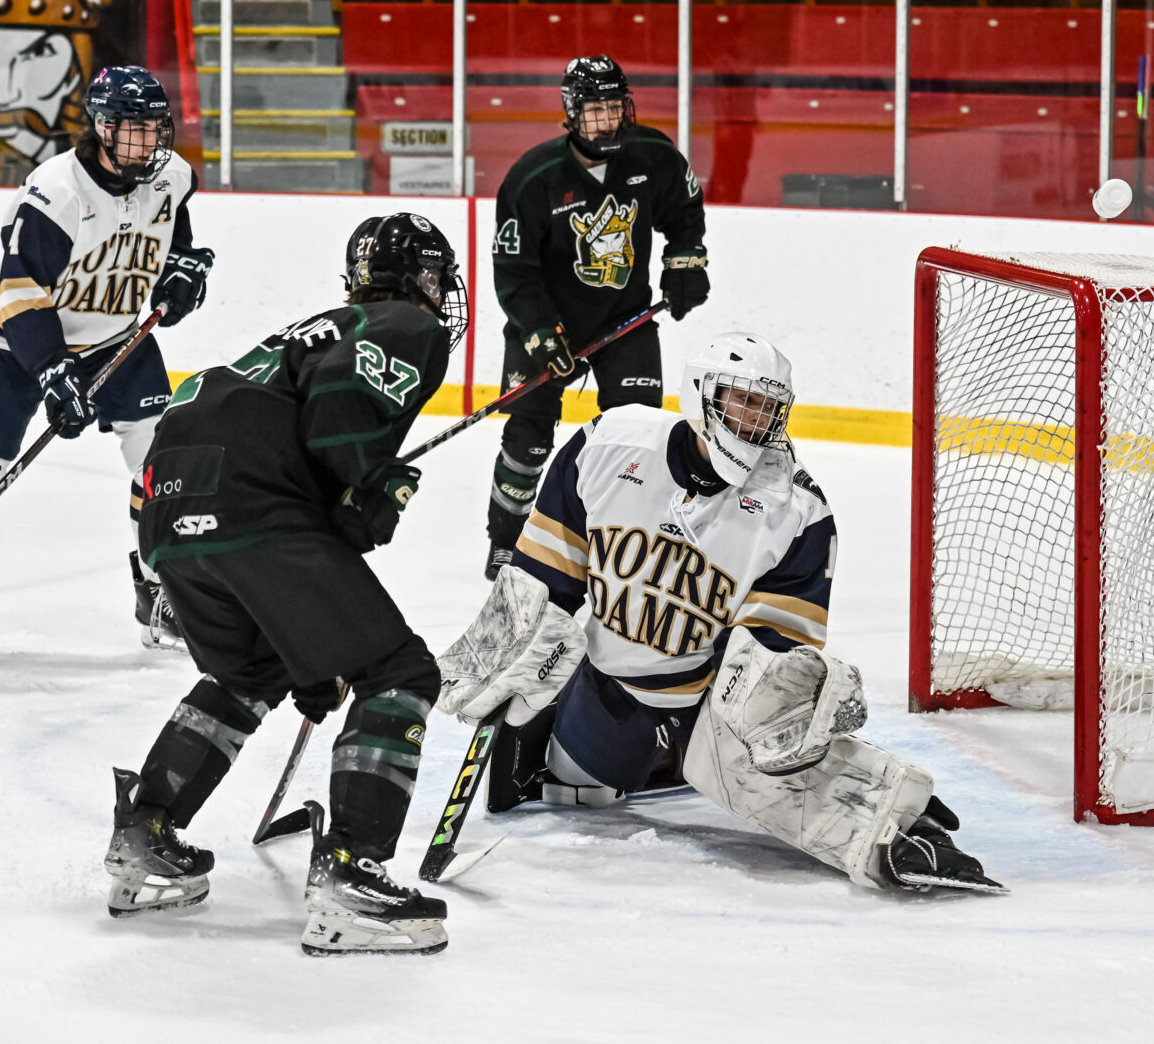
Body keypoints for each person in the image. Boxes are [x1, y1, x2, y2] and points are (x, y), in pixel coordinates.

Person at [439, 333, 1004, 894]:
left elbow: (769, 663)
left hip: (707, 705)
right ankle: (595, 752)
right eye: (742, 399)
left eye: (767, 407)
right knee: (573, 787)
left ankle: (898, 834)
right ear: (700, 394)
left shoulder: (796, 511)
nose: (754, 418)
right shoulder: (608, 446)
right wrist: (506, 655)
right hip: (608, 698)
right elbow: (544, 583)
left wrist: (833, 772)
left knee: (762, 729)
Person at [102, 213, 467, 956]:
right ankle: (353, 876)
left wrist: (308, 634)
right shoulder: (402, 322)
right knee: (398, 671)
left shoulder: (306, 329)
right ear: (415, 278)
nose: (441, 291)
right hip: (252, 506)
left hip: (172, 512)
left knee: (249, 670)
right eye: (435, 274)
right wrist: (369, 486)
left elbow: (214, 409)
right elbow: (337, 421)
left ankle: (147, 830)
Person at [0, 65, 215, 663]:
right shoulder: (57, 192)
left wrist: (184, 272)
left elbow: (177, 240)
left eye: (156, 129)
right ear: (104, 128)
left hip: (118, 339)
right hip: (17, 345)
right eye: (137, 131)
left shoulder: (170, 177)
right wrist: (51, 370)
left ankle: (157, 587)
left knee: (161, 460)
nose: (153, 143)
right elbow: (18, 290)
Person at [484, 54, 709, 579]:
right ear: (571, 112)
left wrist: (685, 263)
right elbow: (514, 270)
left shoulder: (654, 155)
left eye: (614, 108)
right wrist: (540, 334)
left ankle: (618, 540)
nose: (607, 121)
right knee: (528, 437)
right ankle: (505, 540)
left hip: (623, 321)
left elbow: (685, 214)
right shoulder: (532, 178)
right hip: (545, 324)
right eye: (595, 111)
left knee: (636, 433)